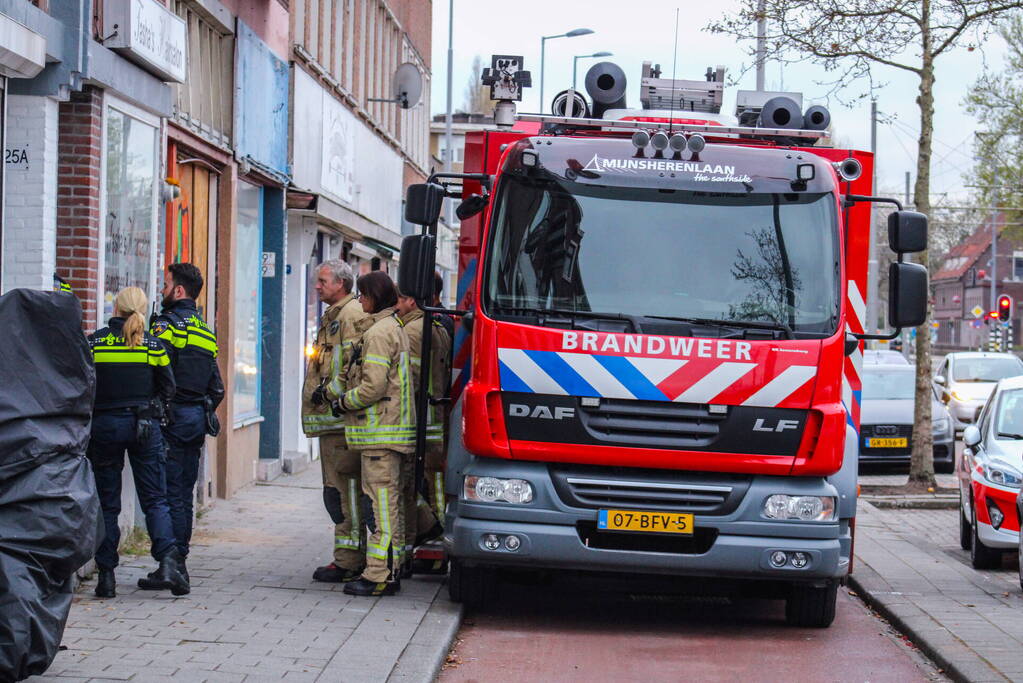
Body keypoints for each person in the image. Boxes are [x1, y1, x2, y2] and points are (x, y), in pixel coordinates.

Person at [86, 287, 189, 598]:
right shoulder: (153, 345)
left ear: (116, 307)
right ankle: (169, 564)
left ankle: (106, 577)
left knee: (107, 502)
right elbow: (168, 389)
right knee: (156, 498)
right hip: (144, 426)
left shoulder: (94, 342)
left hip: (104, 426)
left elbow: (84, 385)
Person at [141, 263, 224, 588]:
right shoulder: (205, 330)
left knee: (163, 492)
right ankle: (181, 563)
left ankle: (169, 564)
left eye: (164, 285)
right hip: (194, 420)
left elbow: (158, 371)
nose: (161, 291)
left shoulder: (166, 326)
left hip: (170, 419)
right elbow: (216, 387)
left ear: (178, 291)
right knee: (183, 494)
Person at [335, 271, 416, 596]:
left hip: (379, 433)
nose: (359, 301)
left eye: (363, 295)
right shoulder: (392, 327)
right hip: (390, 432)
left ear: (374, 296)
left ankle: (377, 575)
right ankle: (389, 570)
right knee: (390, 504)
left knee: (380, 505)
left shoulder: (380, 333)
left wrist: (343, 402)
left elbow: (373, 386)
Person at [302, 260, 371, 583]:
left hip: (340, 421)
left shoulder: (350, 317)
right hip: (332, 422)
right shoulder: (337, 316)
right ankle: (348, 557)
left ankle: (349, 560)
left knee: (344, 492)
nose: (317, 286)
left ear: (341, 284)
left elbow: (350, 370)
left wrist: (327, 396)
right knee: (338, 491)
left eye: (323, 281)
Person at [395, 287, 451, 570]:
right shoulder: (435, 326)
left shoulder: (415, 331)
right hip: (433, 420)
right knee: (434, 483)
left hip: (422, 421)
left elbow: (409, 380)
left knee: (426, 485)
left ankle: (436, 533)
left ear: (411, 300)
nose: (396, 305)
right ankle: (439, 541)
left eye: (399, 299)